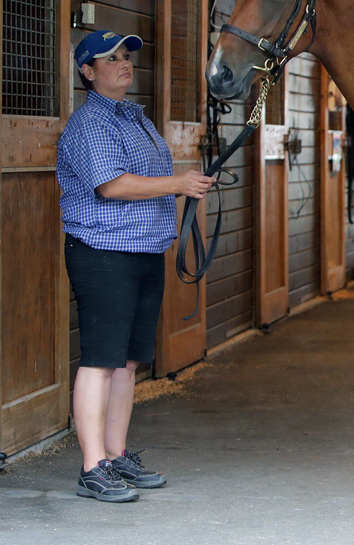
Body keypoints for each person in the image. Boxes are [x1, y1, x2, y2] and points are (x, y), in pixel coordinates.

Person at [58, 30, 216, 502]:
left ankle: (115, 454)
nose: (123, 64)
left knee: (127, 363)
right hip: (103, 252)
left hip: (144, 250)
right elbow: (112, 185)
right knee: (101, 360)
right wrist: (178, 184)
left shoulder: (136, 119)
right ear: (88, 72)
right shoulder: (90, 124)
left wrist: (181, 185)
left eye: (126, 57)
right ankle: (92, 468)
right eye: (110, 59)